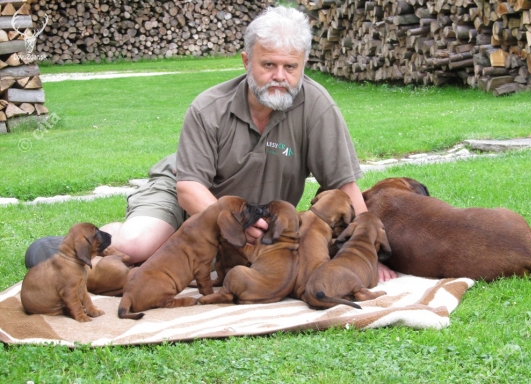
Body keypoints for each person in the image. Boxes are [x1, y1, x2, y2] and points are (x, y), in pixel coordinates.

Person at [26, 6, 397, 282]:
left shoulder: (316, 106)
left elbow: (345, 186)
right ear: (246, 60)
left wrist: (367, 254)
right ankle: (82, 242)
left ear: (303, 64)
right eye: (268, 65)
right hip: (185, 194)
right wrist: (235, 229)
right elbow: (188, 188)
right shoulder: (209, 107)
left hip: (252, 220)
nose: (280, 77)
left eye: (291, 67)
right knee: (140, 250)